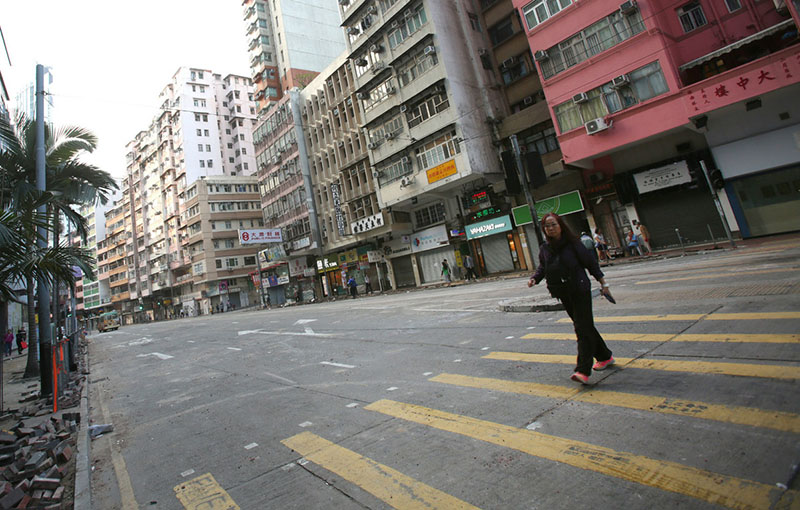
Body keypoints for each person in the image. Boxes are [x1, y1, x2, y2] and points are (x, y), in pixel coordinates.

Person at [528, 213, 615, 384]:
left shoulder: (574, 244)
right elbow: (543, 267)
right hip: (562, 292)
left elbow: (591, 264)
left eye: (553, 224)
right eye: (547, 226)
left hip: (579, 289)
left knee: (582, 328)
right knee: (584, 325)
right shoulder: (545, 247)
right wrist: (534, 279)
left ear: (560, 225)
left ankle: (583, 370)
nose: (550, 228)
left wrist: (604, 284)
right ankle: (605, 356)